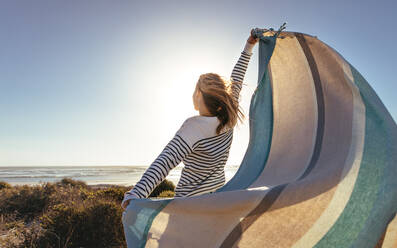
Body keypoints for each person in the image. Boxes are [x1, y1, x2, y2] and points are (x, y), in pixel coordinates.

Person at [121, 29, 259, 209]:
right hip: (217, 200)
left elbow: (164, 162)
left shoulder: (194, 127)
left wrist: (137, 193)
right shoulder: (229, 116)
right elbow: (237, 79)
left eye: (195, 90)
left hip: (188, 207)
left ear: (199, 95)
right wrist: (249, 46)